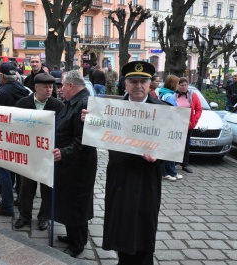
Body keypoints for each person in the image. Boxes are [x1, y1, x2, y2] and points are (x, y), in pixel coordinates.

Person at [92, 61, 165, 264]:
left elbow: (175, 146)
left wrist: (159, 156)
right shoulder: (111, 109)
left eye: (143, 81)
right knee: (121, 228)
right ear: (125, 84)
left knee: (143, 230)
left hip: (145, 180)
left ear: (150, 84)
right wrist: (89, 121)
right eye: (133, 81)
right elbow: (96, 133)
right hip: (119, 178)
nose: (138, 85)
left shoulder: (163, 111)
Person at [42, 70, 97, 258]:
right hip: (68, 164)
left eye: (62, 85)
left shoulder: (83, 105)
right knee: (68, 201)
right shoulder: (73, 102)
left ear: (71, 86)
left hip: (77, 165)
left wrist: (63, 153)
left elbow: (84, 141)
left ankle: (77, 244)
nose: (60, 89)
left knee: (76, 204)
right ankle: (72, 235)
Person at [14, 73, 64, 231]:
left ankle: (44, 217)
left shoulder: (58, 105)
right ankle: (24, 216)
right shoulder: (22, 103)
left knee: (47, 188)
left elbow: (62, 130)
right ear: (36, 88)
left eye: (51, 87)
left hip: (47, 154)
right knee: (26, 187)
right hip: (28, 153)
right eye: (45, 87)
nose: (49, 90)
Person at [0, 62, 30, 216]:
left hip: (4, 137)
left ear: (1, 76)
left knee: (3, 171)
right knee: (19, 170)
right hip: (21, 137)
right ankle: (20, 198)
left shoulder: (0, 93)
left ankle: (6, 206)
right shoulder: (25, 90)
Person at [158, 75, 183, 182]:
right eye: (177, 83)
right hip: (169, 125)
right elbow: (174, 111)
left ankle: (170, 171)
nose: (178, 85)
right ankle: (165, 172)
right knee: (168, 150)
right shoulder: (169, 96)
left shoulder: (164, 93)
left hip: (164, 124)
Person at [177, 77, 202, 174]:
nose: (183, 87)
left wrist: (194, 120)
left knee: (186, 145)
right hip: (177, 124)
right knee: (176, 143)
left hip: (188, 124)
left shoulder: (193, 95)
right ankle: (174, 162)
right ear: (178, 85)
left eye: (185, 85)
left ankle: (185, 164)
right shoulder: (174, 95)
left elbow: (199, 109)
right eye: (182, 85)